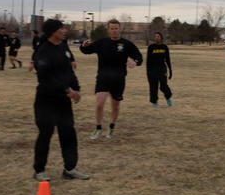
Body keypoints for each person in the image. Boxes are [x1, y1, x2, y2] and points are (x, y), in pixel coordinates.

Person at [32, 19, 88, 181]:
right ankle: (39, 170)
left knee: (68, 133)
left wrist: (76, 88)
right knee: (45, 135)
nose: (65, 31)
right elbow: (45, 78)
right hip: (47, 102)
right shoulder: (42, 52)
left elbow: (69, 72)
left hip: (64, 102)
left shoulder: (63, 48)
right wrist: (66, 91)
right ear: (53, 31)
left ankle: (70, 168)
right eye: (62, 28)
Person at [79, 18, 143, 140]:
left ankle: (112, 127)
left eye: (116, 28)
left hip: (118, 79)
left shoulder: (126, 44)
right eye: (112, 29)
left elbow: (139, 57)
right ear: (108, 30)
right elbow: (86, 51)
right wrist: (84, 46)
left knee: (115, 106)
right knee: (99, 103)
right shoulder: (101, 43)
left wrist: (135, 62)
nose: (114, 31)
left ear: (119, 30)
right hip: (103, 77)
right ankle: (98, 128)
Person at [145, 31, 174, 108]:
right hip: (152, 70)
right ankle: (154, 102)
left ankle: (168, 97)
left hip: (162, 68)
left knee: (163, 85)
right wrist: (148, 71)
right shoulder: (151, 47)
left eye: (158, 36)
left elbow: (168, 60)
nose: (156, 38)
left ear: (161, 38)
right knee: (153, 86)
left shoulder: (165, 47)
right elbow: (148, 61)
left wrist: (170, 71)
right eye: (155, 36)